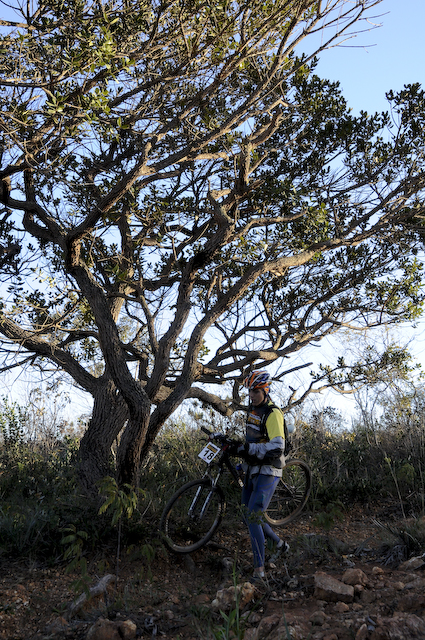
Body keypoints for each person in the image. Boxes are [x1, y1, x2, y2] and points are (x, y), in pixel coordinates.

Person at [228, 370, 289, 581]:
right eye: (250, 391)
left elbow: (276, 446)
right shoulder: (253, 411)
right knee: (249, 514)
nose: (251, 395)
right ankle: (280, 545)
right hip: (253, 469)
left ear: (265, 390)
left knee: (253, 516)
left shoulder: (273, 413)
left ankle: (259, 570)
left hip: (269, 469)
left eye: (255, 391)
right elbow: (252, 443)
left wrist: (247, 449)